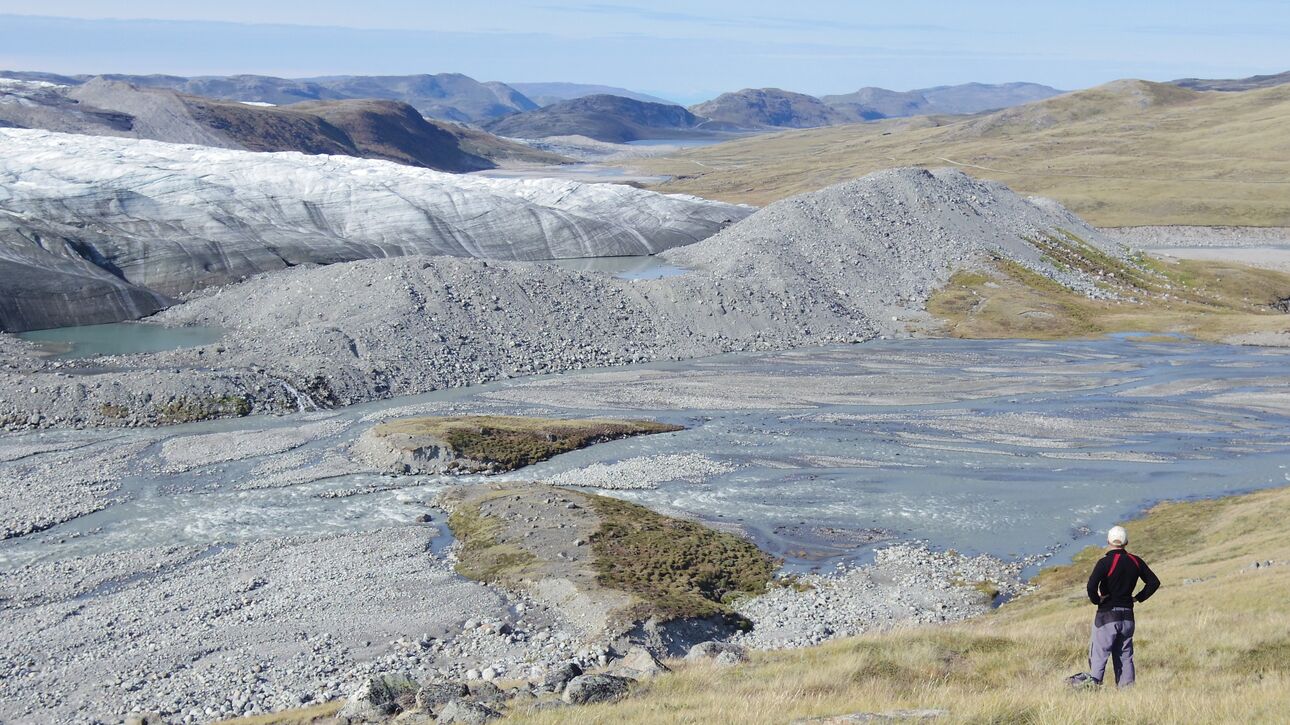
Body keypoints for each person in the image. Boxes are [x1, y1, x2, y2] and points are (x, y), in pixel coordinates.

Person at [1084, 525, 1160, 687]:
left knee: (1099, 655)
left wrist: (1098, 600)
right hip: (1127, 617)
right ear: (1126, 542)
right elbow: (1154, 582)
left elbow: (1091, 587)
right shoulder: (1135, 561)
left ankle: (1093, 690)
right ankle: (1127, 694)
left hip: (1107, 616)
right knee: (1125, 656)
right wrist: (1137, 598)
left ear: (1108, 541)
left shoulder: (1104, 562)